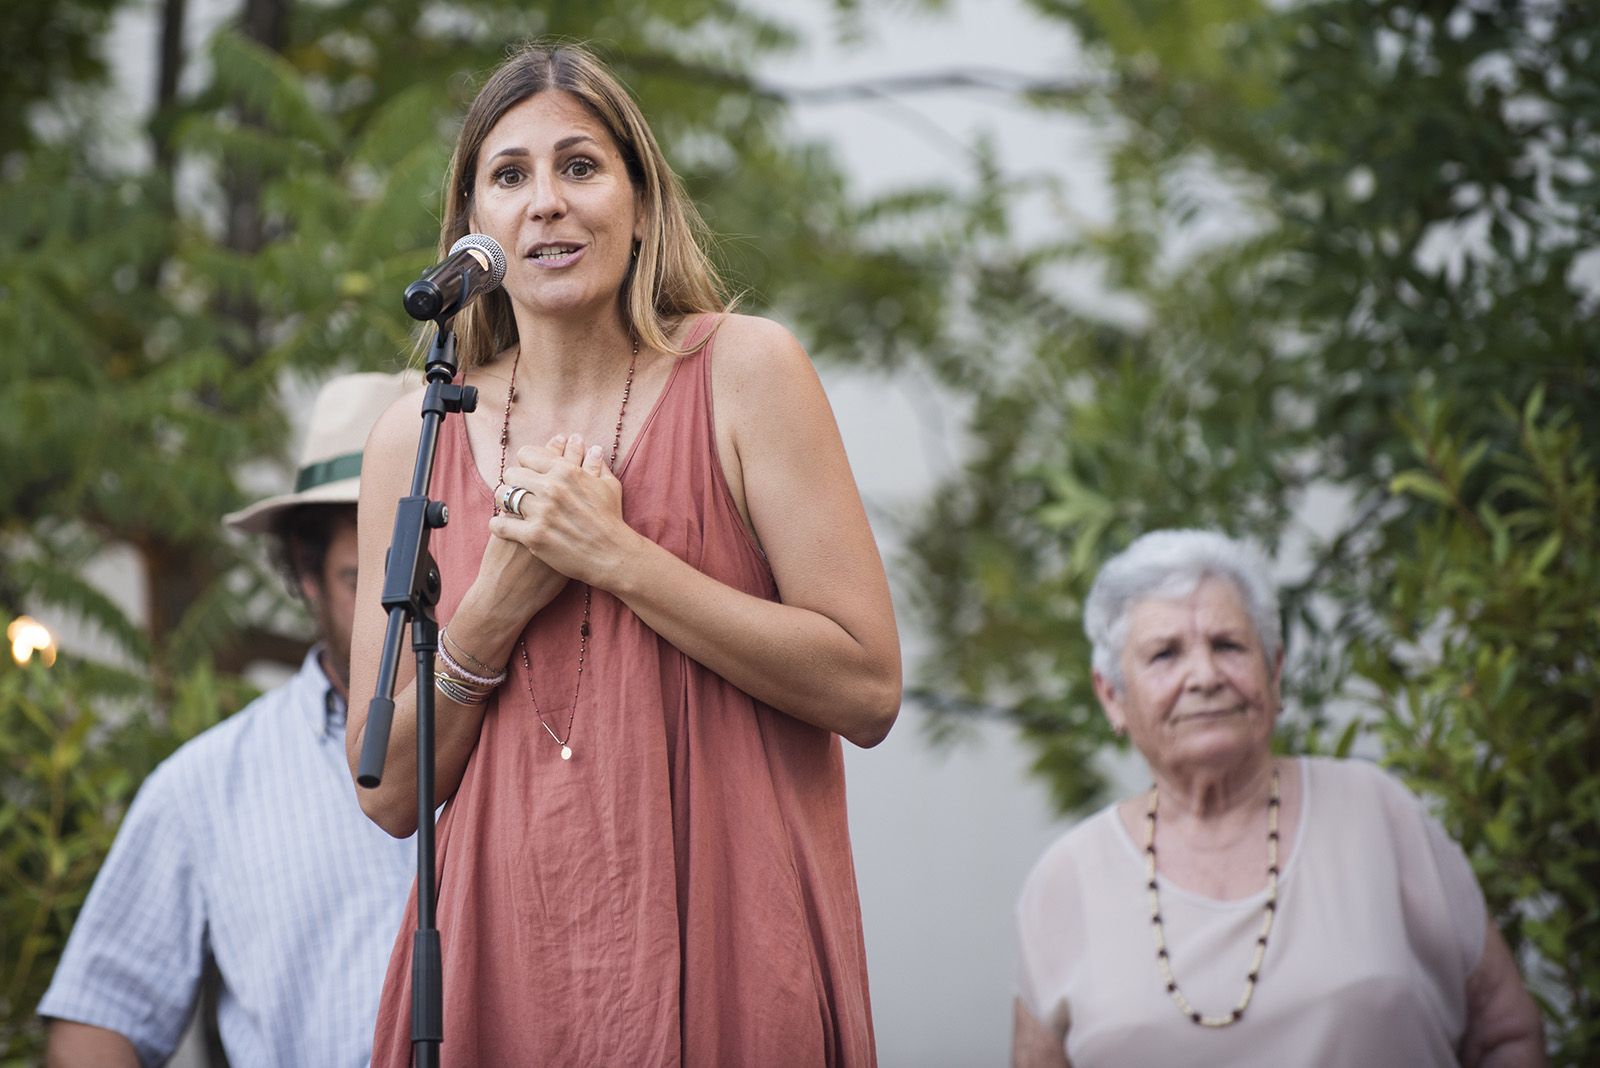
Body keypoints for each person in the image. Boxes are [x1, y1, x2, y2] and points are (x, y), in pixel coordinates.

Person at [348, 40, 902, 1067]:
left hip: (728, 941)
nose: (547, 203)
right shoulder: (411, 435)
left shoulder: (746, 371)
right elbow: (385, 792)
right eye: (509, 176)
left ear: (642, 203)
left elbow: (867, 688)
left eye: (580, 166)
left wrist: (618, 558)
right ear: (473, 227)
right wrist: (493, 611)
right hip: (502, 965)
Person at [1011, 529, 1546, 1067]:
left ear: (1275, 671)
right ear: (1112, 696)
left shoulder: (1376, 813)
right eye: (1165, 654)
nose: (1205, 676)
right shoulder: (1066, 881)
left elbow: (1504, 1035)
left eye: (1228, 645)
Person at [39, 372, 419, 1068]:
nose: (407, 605)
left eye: (428, 569)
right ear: (306, 571)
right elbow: (95, 1023)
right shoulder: (208, 783)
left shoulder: (542, 735)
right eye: (367, 578)